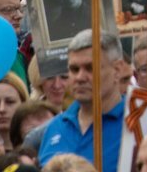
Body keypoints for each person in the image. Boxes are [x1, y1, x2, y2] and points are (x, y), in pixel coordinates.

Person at [37, 31, 128, 168]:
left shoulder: (135, 124)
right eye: (74, 69)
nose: (80, 77)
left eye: (90, 68)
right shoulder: (55, 127)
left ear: (117, 70)